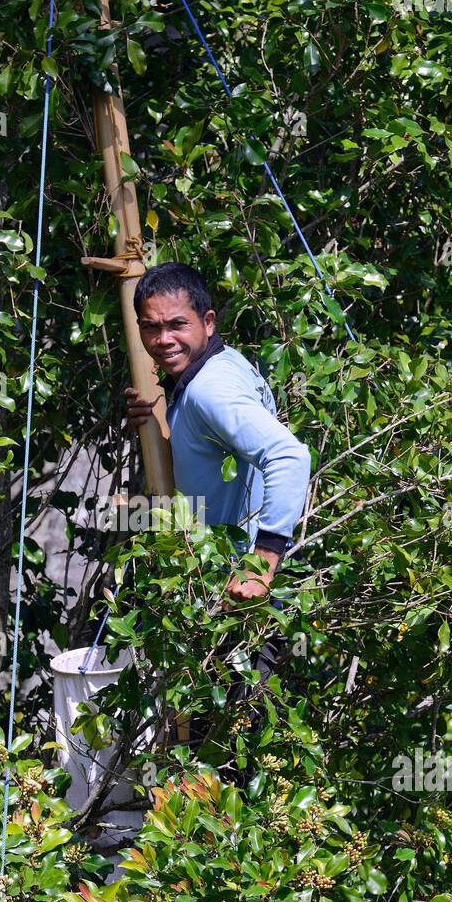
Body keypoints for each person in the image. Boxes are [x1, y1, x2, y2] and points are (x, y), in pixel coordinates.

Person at [124, 261, 311, 750]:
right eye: (151, 327)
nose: (163, 339)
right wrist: (158, 427)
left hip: (241, 605)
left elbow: (289, 456)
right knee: (227, 753)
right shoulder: (216, 369)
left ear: (207, 322)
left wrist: (262, 563)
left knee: (230, 758)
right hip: (224, 600)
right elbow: (207, 463)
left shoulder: (210, 389)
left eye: (177, 325)